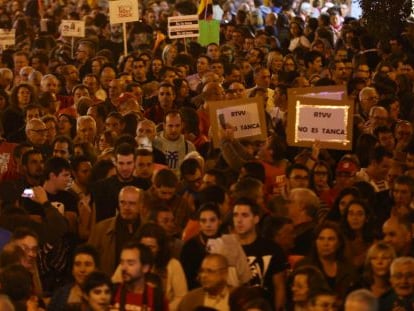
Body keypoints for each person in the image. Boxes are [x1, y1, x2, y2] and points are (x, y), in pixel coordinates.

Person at [232, 197, 287, 311]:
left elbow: (279, 287)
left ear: (256, 219)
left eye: (245, 215)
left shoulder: (272, 249)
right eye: (235, 215)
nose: (239, 220)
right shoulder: (226, 249)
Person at [88, 186, 143, 275]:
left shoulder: (148, 230)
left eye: (132, 203)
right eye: (122, 203)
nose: (126, 207)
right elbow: (89, 259)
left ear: (141, 205)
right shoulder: (101, 229)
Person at [92, 143, 150, 222]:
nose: (125, 168)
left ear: (135, 162)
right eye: (121, 163)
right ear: (115, 162)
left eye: (129, 163)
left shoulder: (144, 186)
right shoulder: (101, 187)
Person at [112, 241, 168, 310]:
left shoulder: (157, 298)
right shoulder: (112, 292)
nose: (123, 268)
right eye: (122, 262)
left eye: (130, 263)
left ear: (145, 268)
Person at [47, 244, 99, 310]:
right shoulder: (60, 295)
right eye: (77, 264)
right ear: (72, 269)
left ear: (96, 269)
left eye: (87, 264)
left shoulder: (104, 294)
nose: (82, 269)